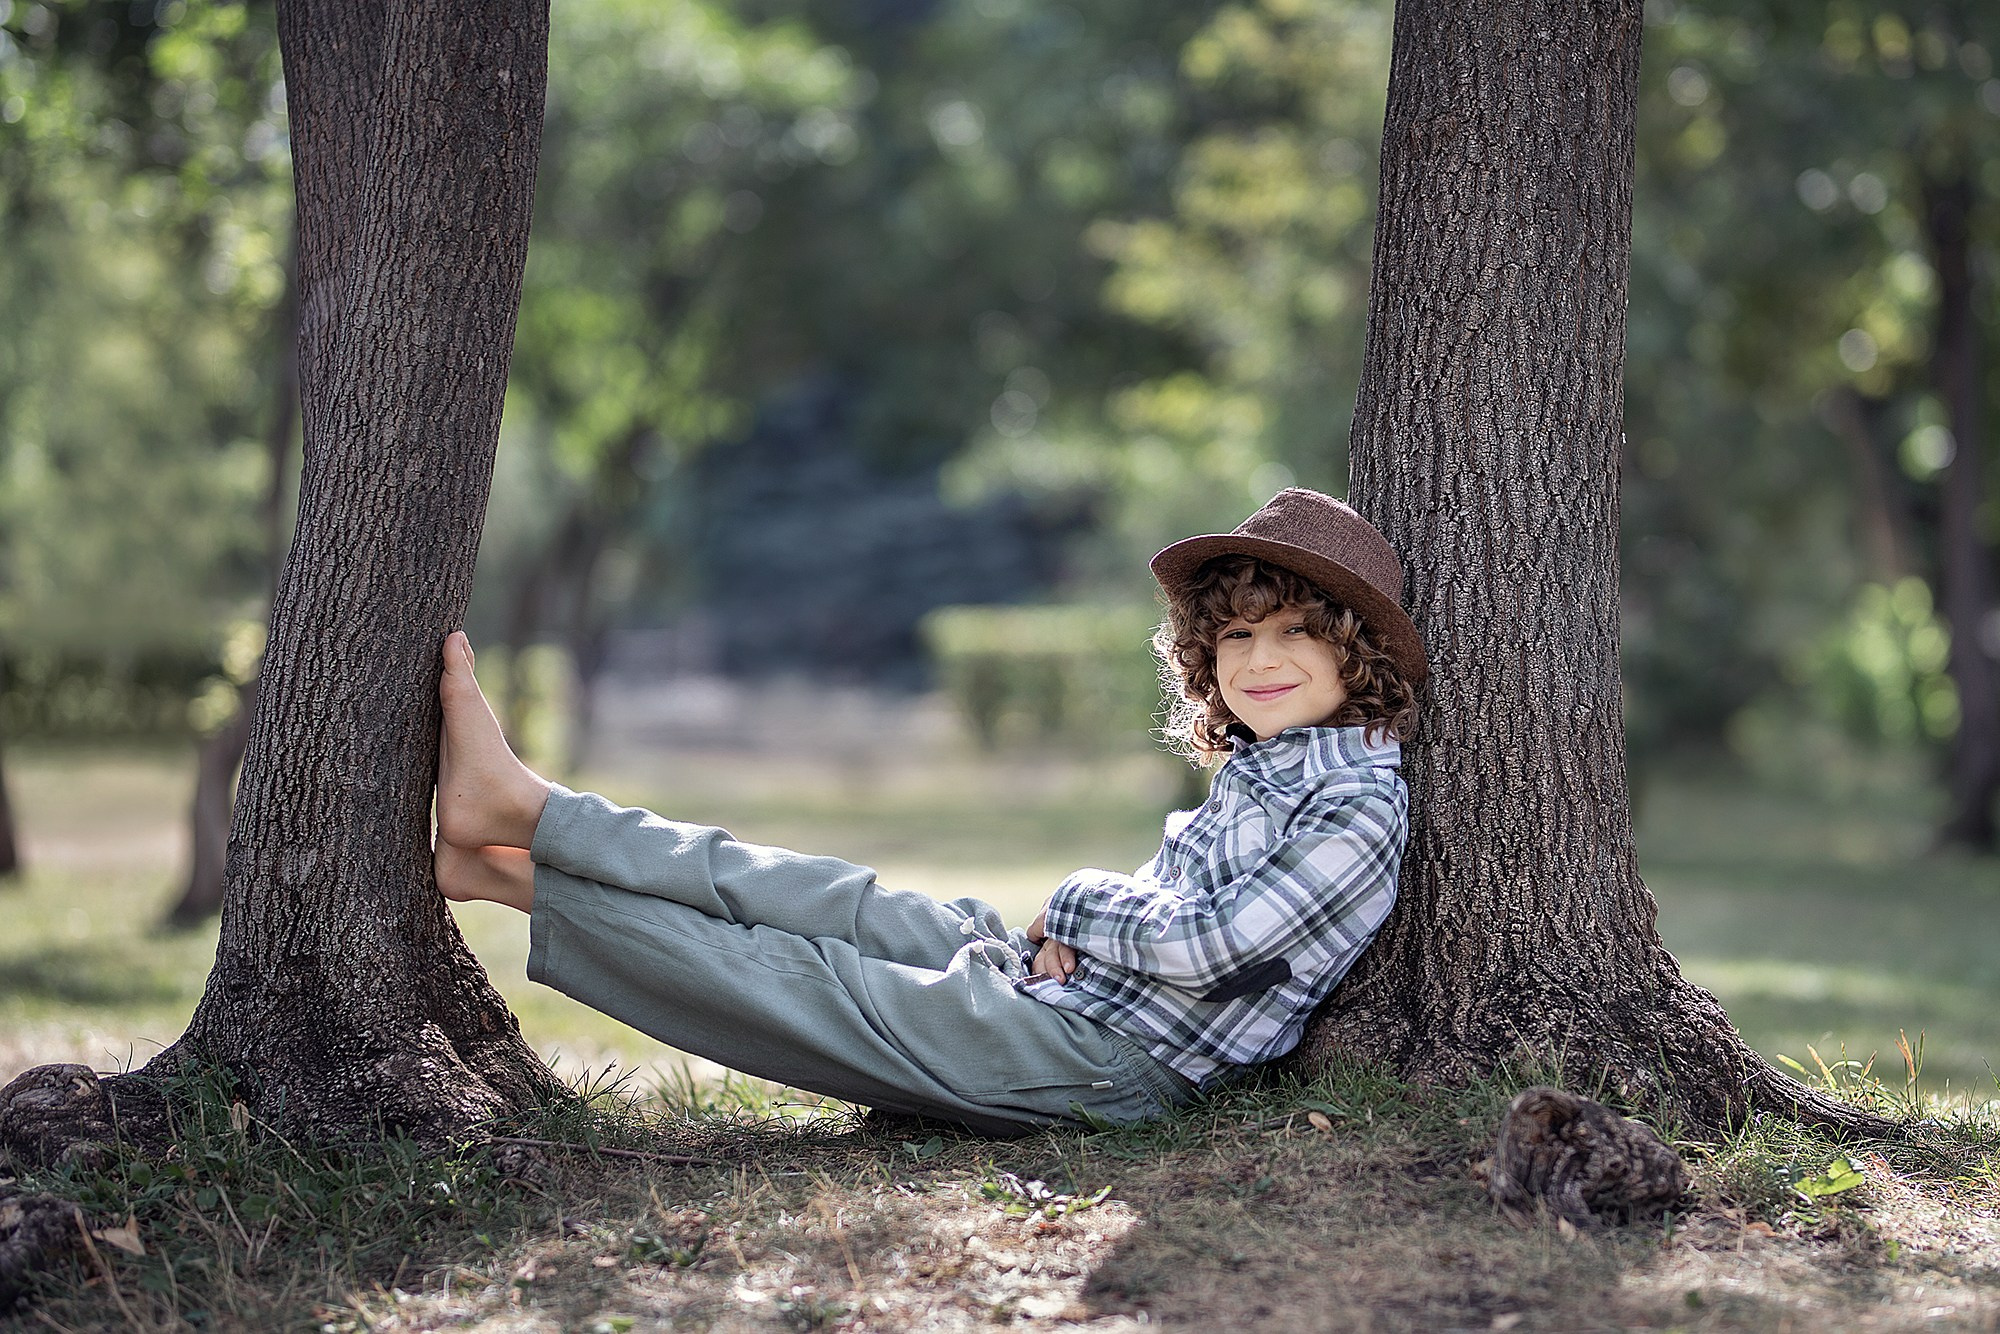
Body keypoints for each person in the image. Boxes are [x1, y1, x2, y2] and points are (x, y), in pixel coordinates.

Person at [434, 487, 1426, 1135]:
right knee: (826, 895)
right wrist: (1070, 933)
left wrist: (1073, 907)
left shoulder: (1354, 802)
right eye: (1239, 633)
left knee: (805, 979)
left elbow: (1214, 946)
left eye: (1296, 631)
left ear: (1356, 651)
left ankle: (505, 877)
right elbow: (1179, 918)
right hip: (1065, 991)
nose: (1259, 659)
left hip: (1105, 1059)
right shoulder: (1272, 766)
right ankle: (529, 810)